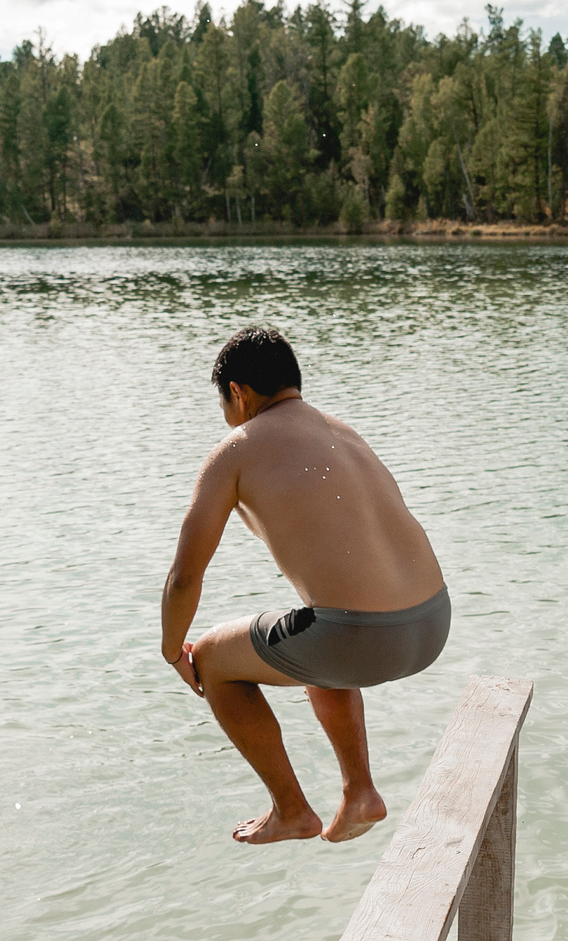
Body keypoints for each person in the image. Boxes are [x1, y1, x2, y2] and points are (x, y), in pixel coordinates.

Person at [161, 326, 450, 846]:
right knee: (315, 631)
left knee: (211, 658)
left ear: (237, 393)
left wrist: (171, 652)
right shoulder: (344, 432)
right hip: (432, 625)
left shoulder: (235, 450)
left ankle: (291, 810)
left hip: (358, 639)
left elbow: (184, 576)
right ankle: (360, 792)